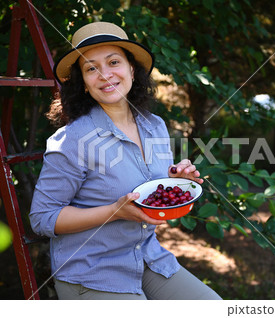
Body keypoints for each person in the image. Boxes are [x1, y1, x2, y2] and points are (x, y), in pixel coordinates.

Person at [29, 21, 222, 300]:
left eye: (114, 62)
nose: (105, 74)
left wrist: (177, 184)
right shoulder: (72, 139)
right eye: (91, 68)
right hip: (91, 271)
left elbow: (154, 194)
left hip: (146, 258)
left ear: (131, 69)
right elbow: (42, 218)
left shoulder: (154, 126)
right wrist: (114, 211)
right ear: (83, 82)